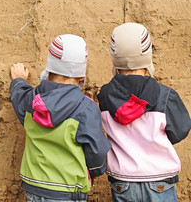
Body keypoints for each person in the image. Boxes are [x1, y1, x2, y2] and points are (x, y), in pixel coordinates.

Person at [10, 34, 111, 201]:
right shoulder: (86, 108)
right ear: (81, 77)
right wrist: (94, 171)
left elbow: (18, 96)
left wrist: (19, 80)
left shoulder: (30, 101)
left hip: (34, 188)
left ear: (48, 70)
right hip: (68, 191)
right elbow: (97, 151)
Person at [97, 22, 191, 202]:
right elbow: (180, 130)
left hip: (122, 181)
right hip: (159, 179)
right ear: (147, 54)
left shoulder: (105, 96)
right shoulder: (165, 95)